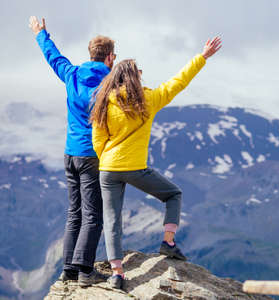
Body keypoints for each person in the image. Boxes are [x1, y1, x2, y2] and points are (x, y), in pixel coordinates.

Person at [90, 36, 222, 289]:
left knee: (112, 219)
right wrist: (202, 57)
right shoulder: (148, 100)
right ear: (134, 78)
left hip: (107, 168)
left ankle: (117, 273)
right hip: (135, 167)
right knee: (173, 194)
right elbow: (178, 81)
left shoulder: (104, 102)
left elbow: (97, 140)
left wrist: (107, 159)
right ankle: (168, 242)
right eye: (139, 72)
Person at [28, 16, 116, 287]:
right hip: (91, 155)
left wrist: (41, 33)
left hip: (70, 153)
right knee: (93, 215)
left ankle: (69, 269)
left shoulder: (72, 73)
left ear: (91, 54)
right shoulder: (111, 84)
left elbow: (53, 57)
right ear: (110, 58)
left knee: (74, 212)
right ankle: (85, 272)